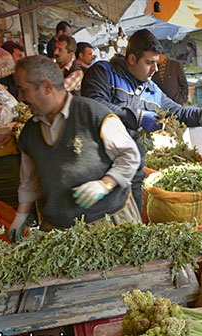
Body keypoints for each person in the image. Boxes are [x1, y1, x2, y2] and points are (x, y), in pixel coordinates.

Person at [81, 29, 202, 209]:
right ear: (131, 59)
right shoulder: (104, 73)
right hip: (99, 171)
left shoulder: (151, 90)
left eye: (156, 62)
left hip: (133, 169)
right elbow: (94, 105)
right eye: (149, 63)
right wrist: (138, 117)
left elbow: (178, 112)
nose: (155, 69)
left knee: (133, 222)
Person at [8, 55, 141, 238]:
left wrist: (105, 184)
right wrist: (20, 215)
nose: (20, 98)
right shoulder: (29, 133)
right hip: (58, 230)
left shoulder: (93, 114)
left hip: (110, 223)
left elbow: (129, 155)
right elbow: (30, 180)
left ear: (47, 87)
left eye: (23, 90)